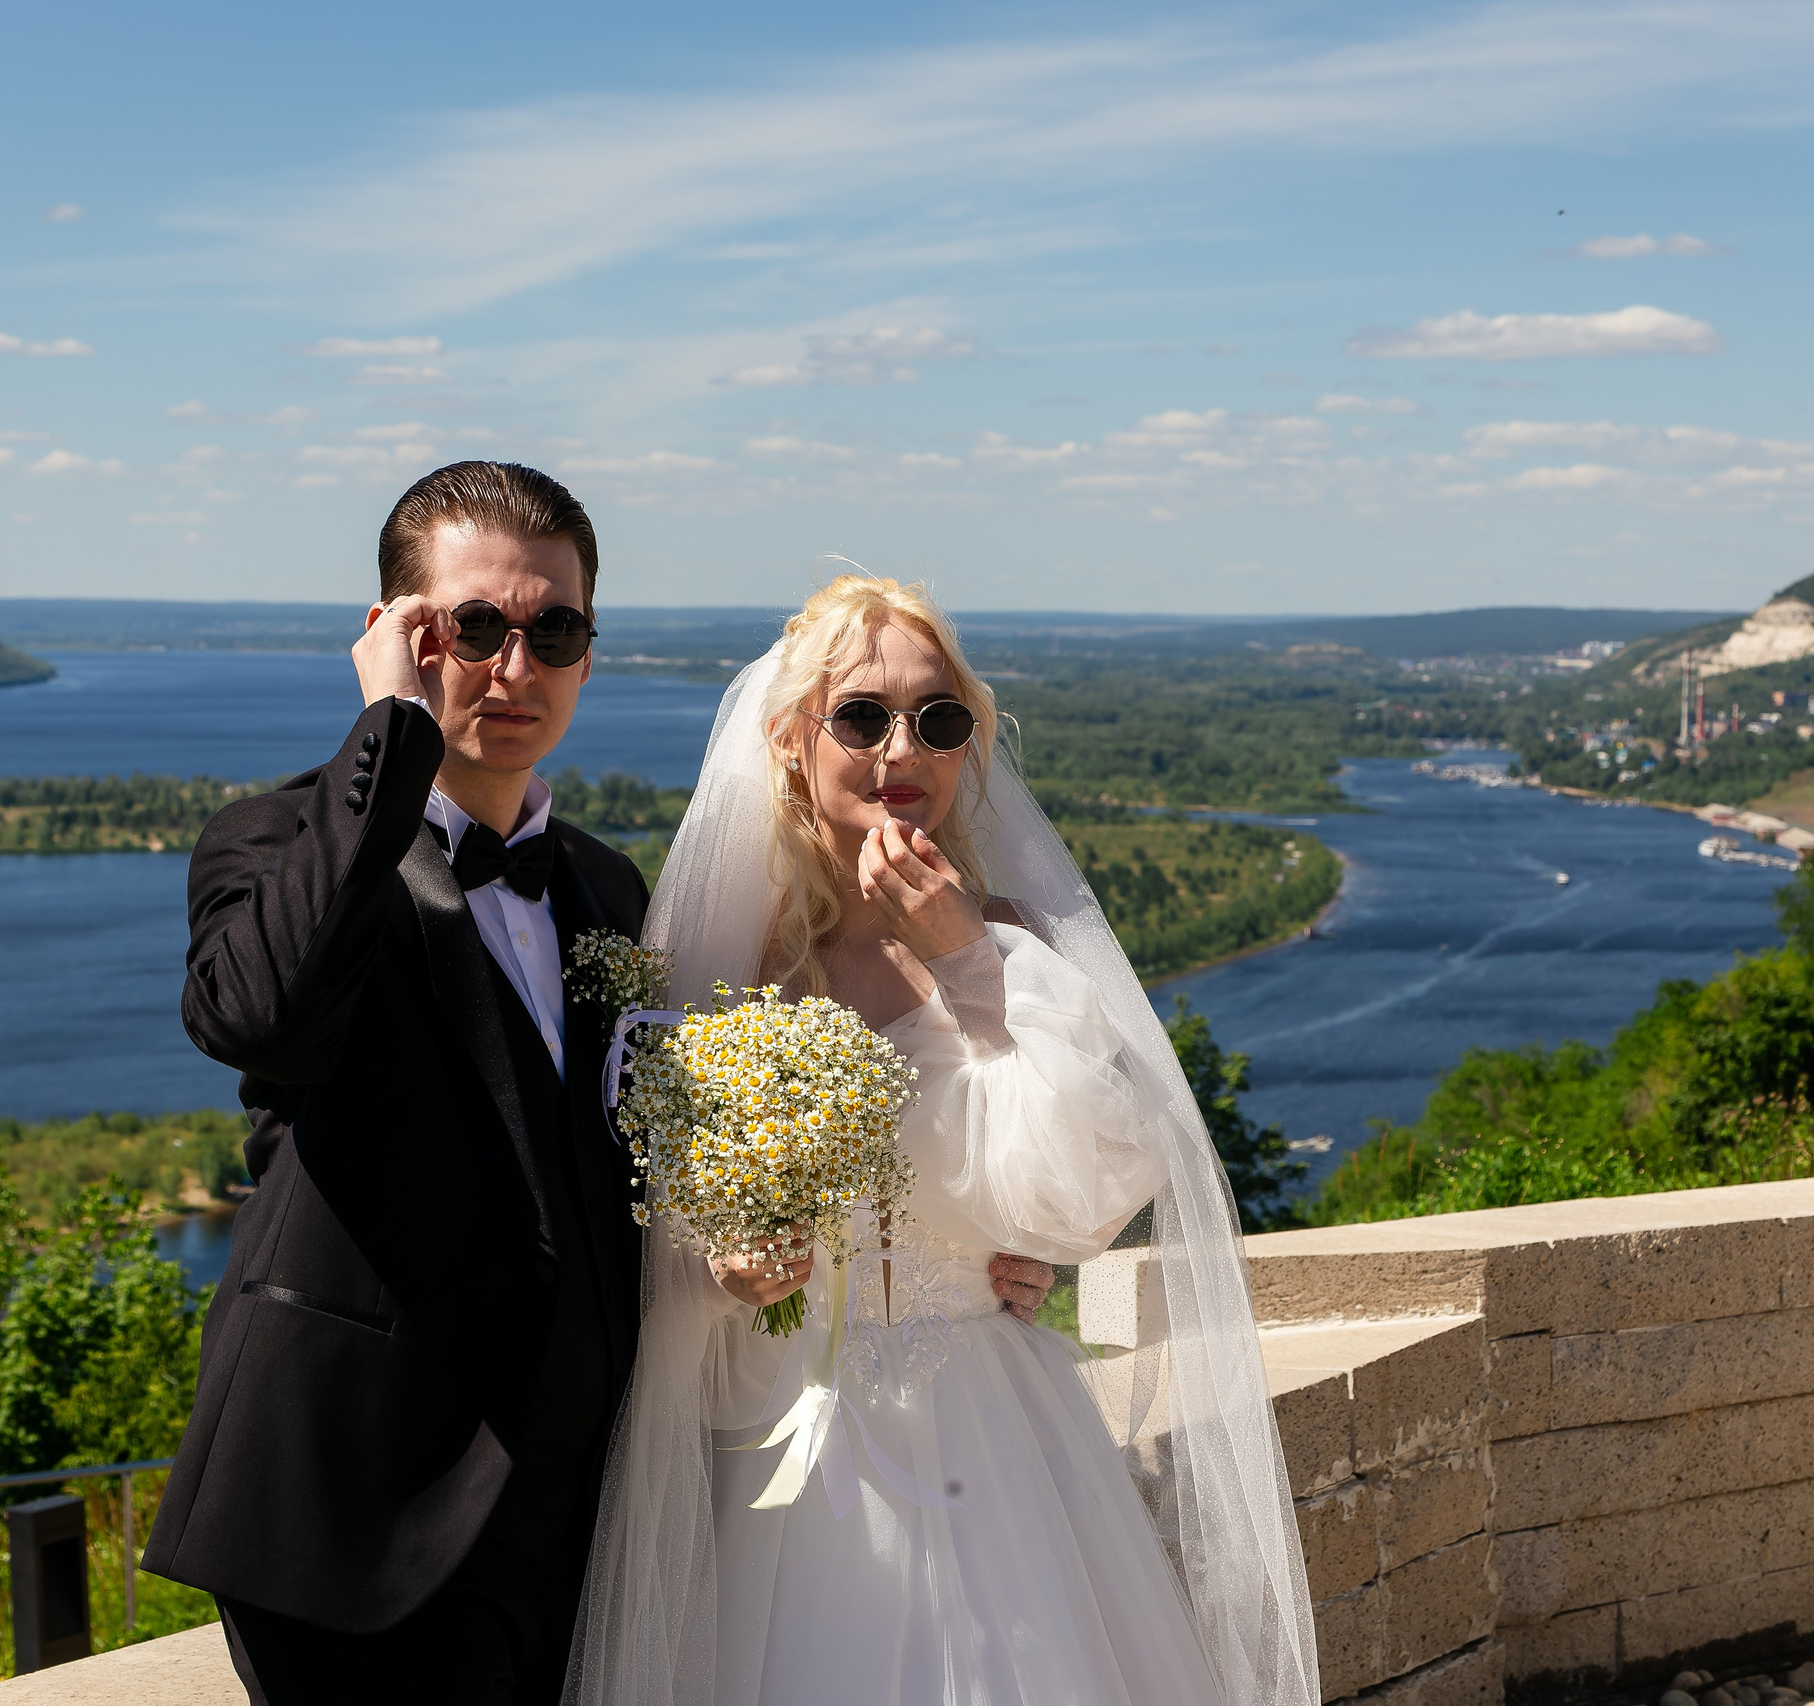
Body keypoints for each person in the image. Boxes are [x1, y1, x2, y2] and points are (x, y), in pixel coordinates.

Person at [140, 464, 1054, 1706]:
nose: (515, 667)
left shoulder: (609, 895)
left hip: (583, 1516)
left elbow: (662, 1174)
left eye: (553, 630)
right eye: (471, 629)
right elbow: (258, 1013)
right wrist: (389, 740)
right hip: (363, 1517)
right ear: (395, 637)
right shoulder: (278, 843)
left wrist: (960, 1235)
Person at [565, 575, 1323, 1706]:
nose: (900, 746)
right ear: (789, 742)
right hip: (781, 1443)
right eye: (862, 714)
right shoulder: (719, 966)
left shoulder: (1010, 940)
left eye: (940, 717)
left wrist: (969, 957)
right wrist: (721, 1274)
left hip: (992, 1433)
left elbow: (1095, 1186)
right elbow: (643, 1228)